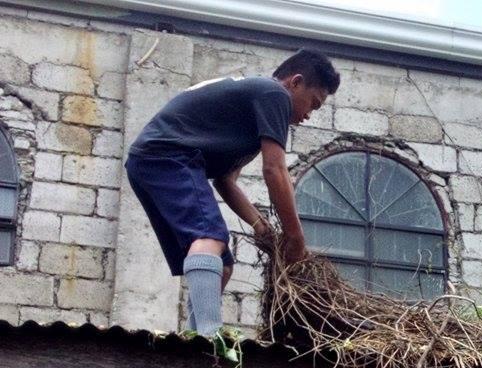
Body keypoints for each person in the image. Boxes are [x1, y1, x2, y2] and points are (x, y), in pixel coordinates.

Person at [125, 49, 340, 336]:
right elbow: (275, 170)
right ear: (295, 82)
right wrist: (295, 237)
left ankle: (194, 334)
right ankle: (209, 337)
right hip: (168, 156)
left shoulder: (251, 113)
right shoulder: (274, 94)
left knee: (223, 265)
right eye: (313, 103)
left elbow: (225, 181)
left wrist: (259, 225)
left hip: (153, 161)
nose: (309, 115)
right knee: (209, 237)